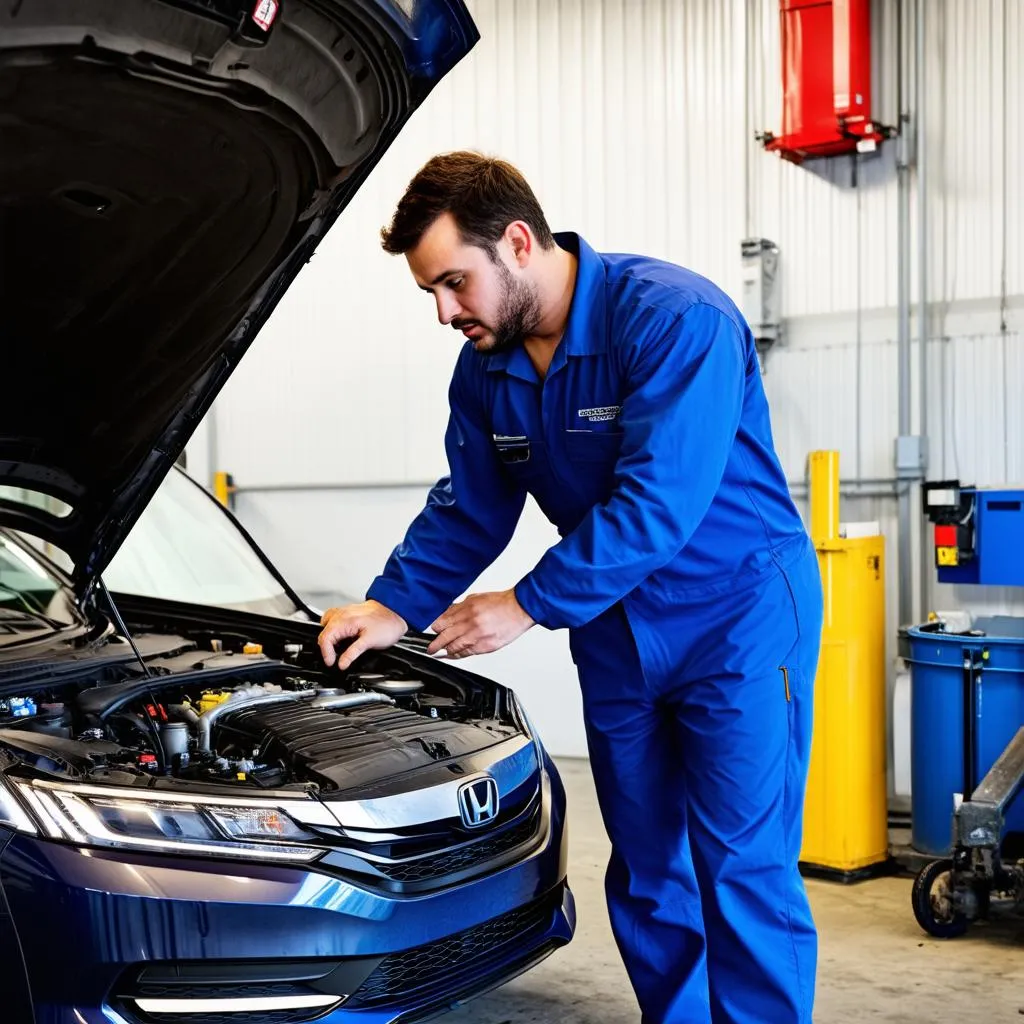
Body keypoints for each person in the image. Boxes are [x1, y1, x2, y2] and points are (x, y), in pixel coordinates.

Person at [318, 151, 824, 1024]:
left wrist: (523, 605)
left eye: (454, 283)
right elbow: (470, 506)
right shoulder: (486, 368)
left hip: (737, 619)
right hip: (618, 632)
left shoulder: (674, 318)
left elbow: (658, 503)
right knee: (647, 865)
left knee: (743, 866)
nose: (445, 313)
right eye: (431, 294)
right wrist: (391, 603)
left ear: (517, 242)